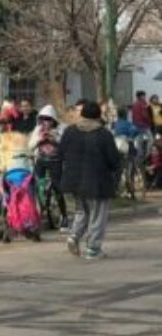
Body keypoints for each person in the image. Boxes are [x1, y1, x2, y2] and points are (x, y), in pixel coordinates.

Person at [60, 101, 121, 260]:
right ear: (98, 116)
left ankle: (74, 236)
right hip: (97, 181)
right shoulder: (103, 134)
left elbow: (61, 152)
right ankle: (93, 248)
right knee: (97, 215)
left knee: (82, 211)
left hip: (74, 180)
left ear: (82, 114)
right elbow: (113, 159)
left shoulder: (70, 131)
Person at [29, 105, 67, 227]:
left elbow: (65, 145)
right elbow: (30, 145)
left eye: (48, 119)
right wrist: (40, 140)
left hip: (56, 161)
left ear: (53, 120)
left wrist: (54, 138)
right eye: (43, 119)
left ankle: (64, 215)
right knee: (36, 186)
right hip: (40, 160)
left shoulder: (61, 129)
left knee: (57, 188)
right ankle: (38, 211)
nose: (45, 122)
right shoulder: (37, 130)